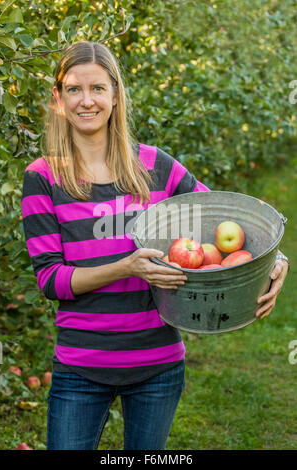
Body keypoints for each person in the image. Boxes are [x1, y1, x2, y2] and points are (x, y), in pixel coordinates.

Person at [21, 41, 289, 450]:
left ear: (115, 95)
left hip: (157, 363)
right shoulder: (43, 178)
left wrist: (276, 259)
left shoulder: (155, 167)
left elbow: (227, 220)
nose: (86, 101)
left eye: (98, 88)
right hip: (81, 366)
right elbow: (51, 279)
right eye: (74, 89)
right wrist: (126, 267)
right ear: (58, 98)